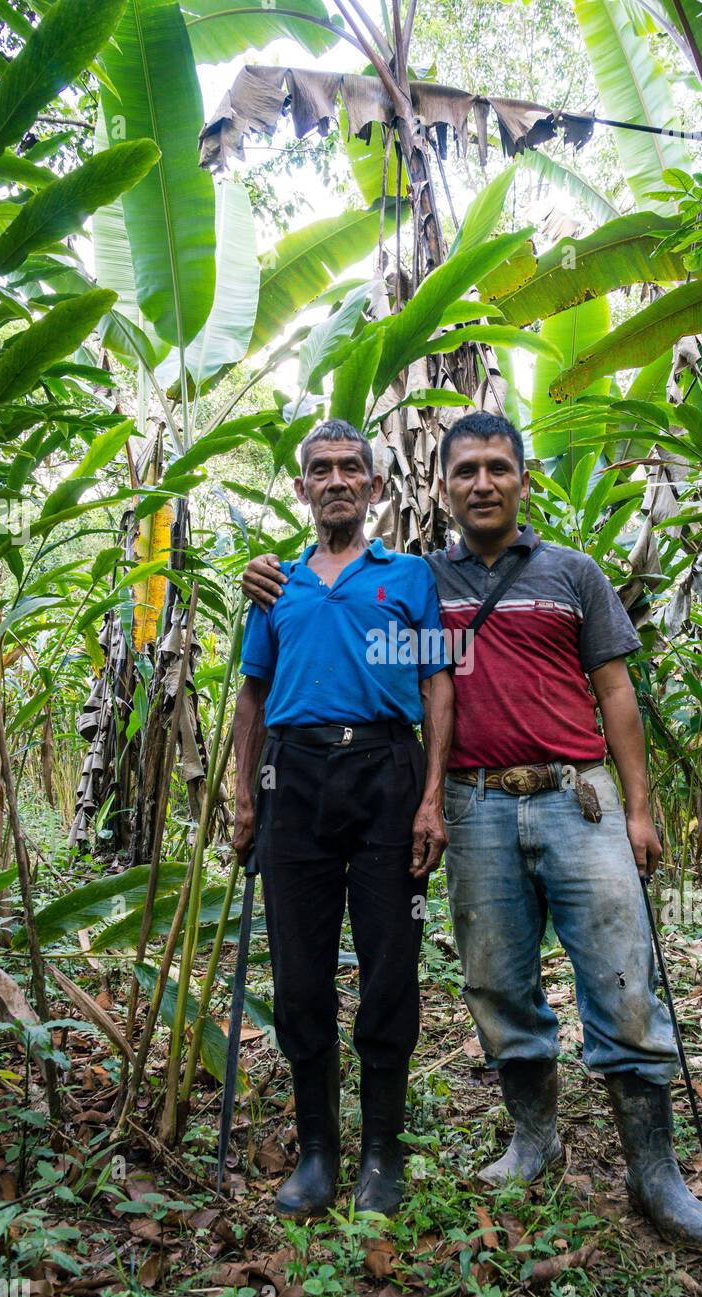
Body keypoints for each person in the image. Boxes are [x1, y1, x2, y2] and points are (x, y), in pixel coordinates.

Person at [242, 412, 702, 1253]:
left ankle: (656, 1173)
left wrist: (641, 808)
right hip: (475, 805)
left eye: (498, 468)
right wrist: (264, 576)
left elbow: (614, 691)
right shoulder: (419, 579)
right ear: (440, 487)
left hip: (577, 798)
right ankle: (533, 1140)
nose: (482, 484)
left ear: (523, 478)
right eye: (464, 471)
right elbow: (328, 650)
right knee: (498, 982)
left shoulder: (569, 573)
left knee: (622, 981)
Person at [233, 418, 454, 1219]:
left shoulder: (409, 578)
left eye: (350, 469)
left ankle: (382, 1155)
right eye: (320, 469)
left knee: (391, 963)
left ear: (375, 487)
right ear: (302, 488)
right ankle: (318, 1152)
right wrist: (242, 795)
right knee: (299, 968)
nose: (335, 480)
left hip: (387, 775)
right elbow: (252, 693)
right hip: (294, 779)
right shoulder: (277, 585)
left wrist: (431, 796)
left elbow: (437, 685)